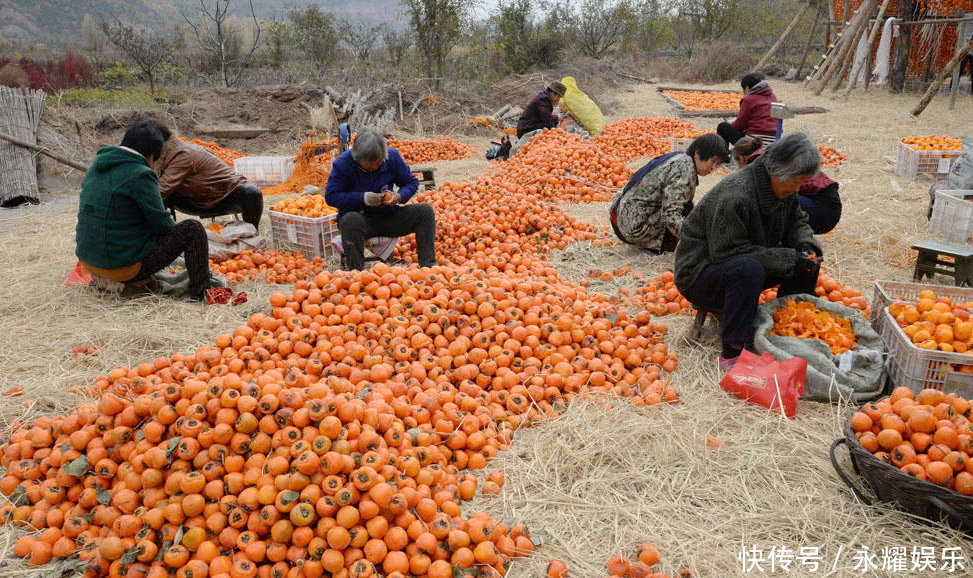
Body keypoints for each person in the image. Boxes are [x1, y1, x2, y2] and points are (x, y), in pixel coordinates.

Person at [674, 132, 823, 370]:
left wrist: (805, 245)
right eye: (796, 181)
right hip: (700, 272)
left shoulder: (783, 187)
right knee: (748, 270)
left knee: (807, 261)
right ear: (777, 171)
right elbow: (725, 252)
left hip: (740, 259)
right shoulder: (736, 194)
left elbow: (798, 221)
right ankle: (733, 352)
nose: (798, 188)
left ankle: (789, 327)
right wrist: (784, 258)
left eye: (801, 182)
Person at [76, 120, 212, 300]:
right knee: (193, 230)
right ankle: (202, 293)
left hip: (89, 261)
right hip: (121, 268)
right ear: (152, 156)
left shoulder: (97, 164)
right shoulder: (141, 174)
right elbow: (163, 228)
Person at [325, 127, 437, 270]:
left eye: (379, 163)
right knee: (350, 220)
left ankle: (428, 266)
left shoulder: (392, 157)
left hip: (388, 217)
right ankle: (356, 273)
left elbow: (411, 182)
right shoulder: (343, 164)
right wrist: (362, 198)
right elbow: (331, 196)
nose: (375, 167)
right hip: (360, 221)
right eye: (370, 165)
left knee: (425, 212)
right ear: (358, 158)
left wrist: (400, 196)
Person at [609, 133, 729, 254]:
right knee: (683, 212)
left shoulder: (680, 158)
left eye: (718, 164)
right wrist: (696, 240)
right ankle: (653, 248)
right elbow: (671, 215)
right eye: (713, 161)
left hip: (619, 217)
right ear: (697, 154)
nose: (714, 167)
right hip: (632, 229)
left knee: (688, 207)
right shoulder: (684, 169)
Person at [153, 122, 263, 230]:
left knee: (252, 192)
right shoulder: (164, 155)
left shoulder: (183, 153)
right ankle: (169, 234)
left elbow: (161, 189)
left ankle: (252, 234)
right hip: (195, 199)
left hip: (223, 196)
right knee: (161, 194)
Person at [733, 136, 842, 235]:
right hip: (829, 203)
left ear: (741, 159)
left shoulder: (758, 161)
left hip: (822, 207)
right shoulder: (769, 152)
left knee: (770, 202)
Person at [717, 73, 778, 146]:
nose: (743, 93)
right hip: (774, 140)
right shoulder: (772, 96)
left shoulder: (748, 99)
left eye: (743, 90)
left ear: (747, 88)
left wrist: (731, 123)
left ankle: (723, 156)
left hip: (755, 142)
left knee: (722, 127)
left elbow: (740, 125)